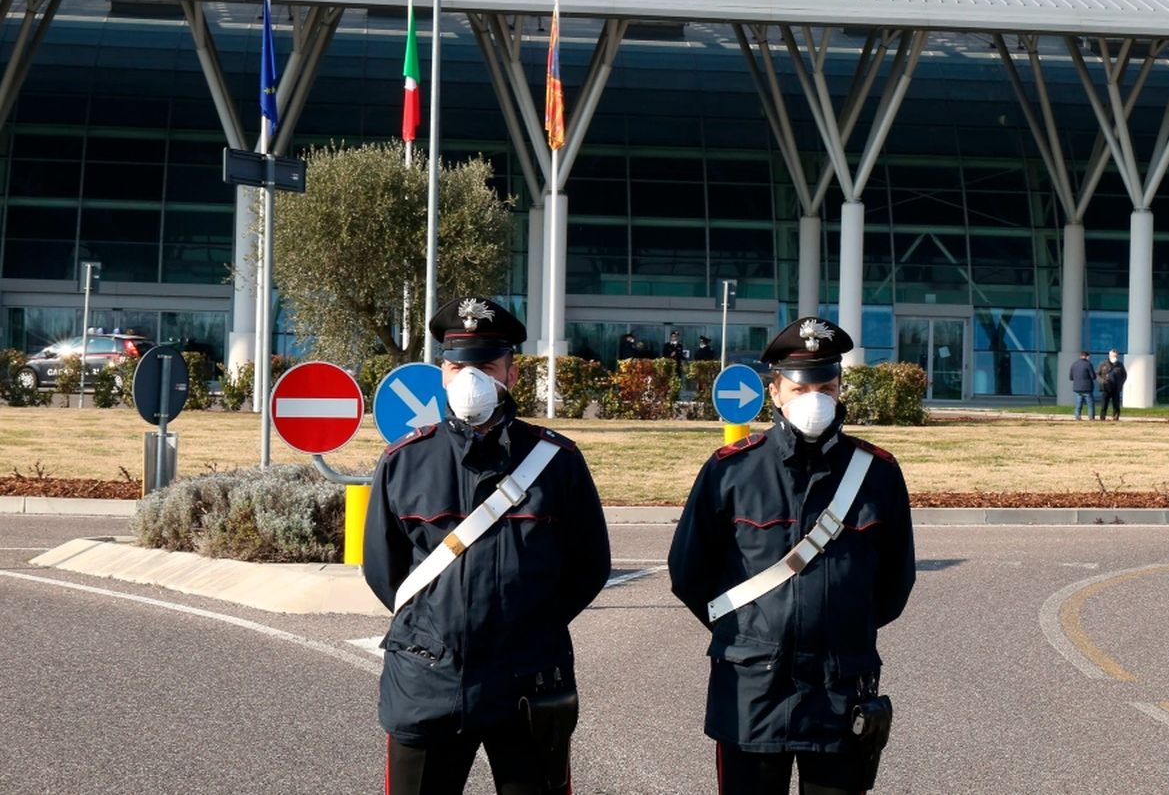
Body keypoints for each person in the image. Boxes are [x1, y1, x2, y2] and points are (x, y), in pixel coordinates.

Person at [363, 296, 611, 795]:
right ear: (442, 373)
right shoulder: (404, 461)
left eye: (486, 364)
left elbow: (589, 565)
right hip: (428, 679)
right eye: (458, 365)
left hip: (529, 680)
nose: (471, 377)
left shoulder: (556, 461)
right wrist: (434, 628)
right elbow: (383, 568)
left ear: (511, 375)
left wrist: (531, 623)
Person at [668, 316, 916, 795]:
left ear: (840, 388)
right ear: (776, 391)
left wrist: (838, 627)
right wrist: (751, 634)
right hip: (752, 692)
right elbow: (689, 572)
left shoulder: (877, 473)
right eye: (801, 388)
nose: (814, 399)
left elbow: (894, 582)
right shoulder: (731, 471)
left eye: (826, 385)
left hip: (840, 690)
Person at [1097, 349, 1127, 421]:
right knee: (1104, 405)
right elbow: (1098, 374)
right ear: (1109, 355)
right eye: (1113, 355)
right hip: (1105, 388)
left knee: (1116, 405)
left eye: (1116, 356)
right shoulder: (1103, 364)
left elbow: (1124, 375)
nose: (1115, 357)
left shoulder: (1120, 365)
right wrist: (1102, 381)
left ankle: (1116, 417)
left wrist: (1120, 384)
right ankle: (1102, 418)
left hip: (1116, 388)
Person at [1068, 350, 1095, 420]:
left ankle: (1077, 416)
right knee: (1090, 405)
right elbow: (1093, 376)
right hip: (1087, 388)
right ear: (1087, 357)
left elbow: (1071, 377)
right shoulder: (1088, 364)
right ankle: (1091, 417)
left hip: (1077, 388)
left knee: (1078, 404)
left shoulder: (1074, 364)